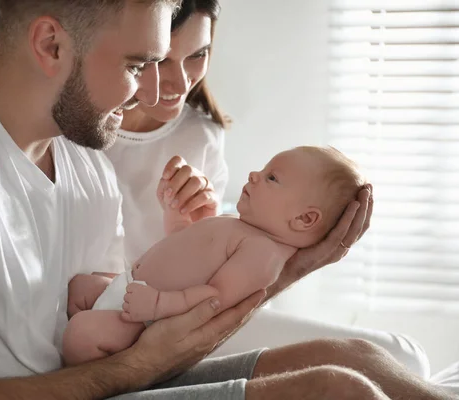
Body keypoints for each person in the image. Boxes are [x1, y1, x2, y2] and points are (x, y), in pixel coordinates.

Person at [0, 1, 452, 399]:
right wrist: (136, 367)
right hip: (92, 385)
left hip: (97, 380)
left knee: (361, 359)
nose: (155, 90)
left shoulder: (85, 158)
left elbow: (126, 312)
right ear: (51, 44)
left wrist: (290, 265)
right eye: (139, 63)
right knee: (333, 391)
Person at [104, 0, 437, 384]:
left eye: (198, 55)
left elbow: (221, 269)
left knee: (407, 358)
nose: (180, 83)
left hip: (195, 308)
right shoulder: (86, 134)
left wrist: (202, 219)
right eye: (162, 59)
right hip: (127, 313)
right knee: (388, 364)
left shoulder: (202, 134)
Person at [64, 146, 366, 366]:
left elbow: (215, 299)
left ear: (304, 219)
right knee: (80, 285)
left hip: (143, 320)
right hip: (131, 286)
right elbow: (187, 255)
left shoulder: (263, 254)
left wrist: (159, 303)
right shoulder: (239, 225)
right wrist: (177, 219)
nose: (254, 175)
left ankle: (96, 375)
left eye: (272, 178)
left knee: (81, 334)